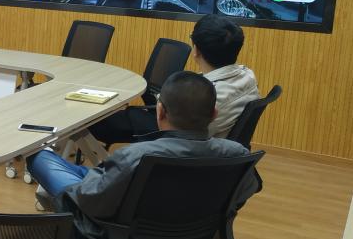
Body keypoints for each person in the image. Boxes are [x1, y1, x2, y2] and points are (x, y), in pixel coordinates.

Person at [30, 71, 252, 228]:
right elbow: (243, 193)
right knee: (84, 174)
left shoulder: (135, 156)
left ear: (160, 112)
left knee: (38, 157)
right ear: (214, 115)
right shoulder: (237, 154)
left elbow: (90, 201)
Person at [89, 14, 260, 146]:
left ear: (196, 51)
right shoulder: (248, 76)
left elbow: (176, 133)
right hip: (211, 150)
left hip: (179, 144)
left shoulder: (210, 99)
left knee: (99, 121)